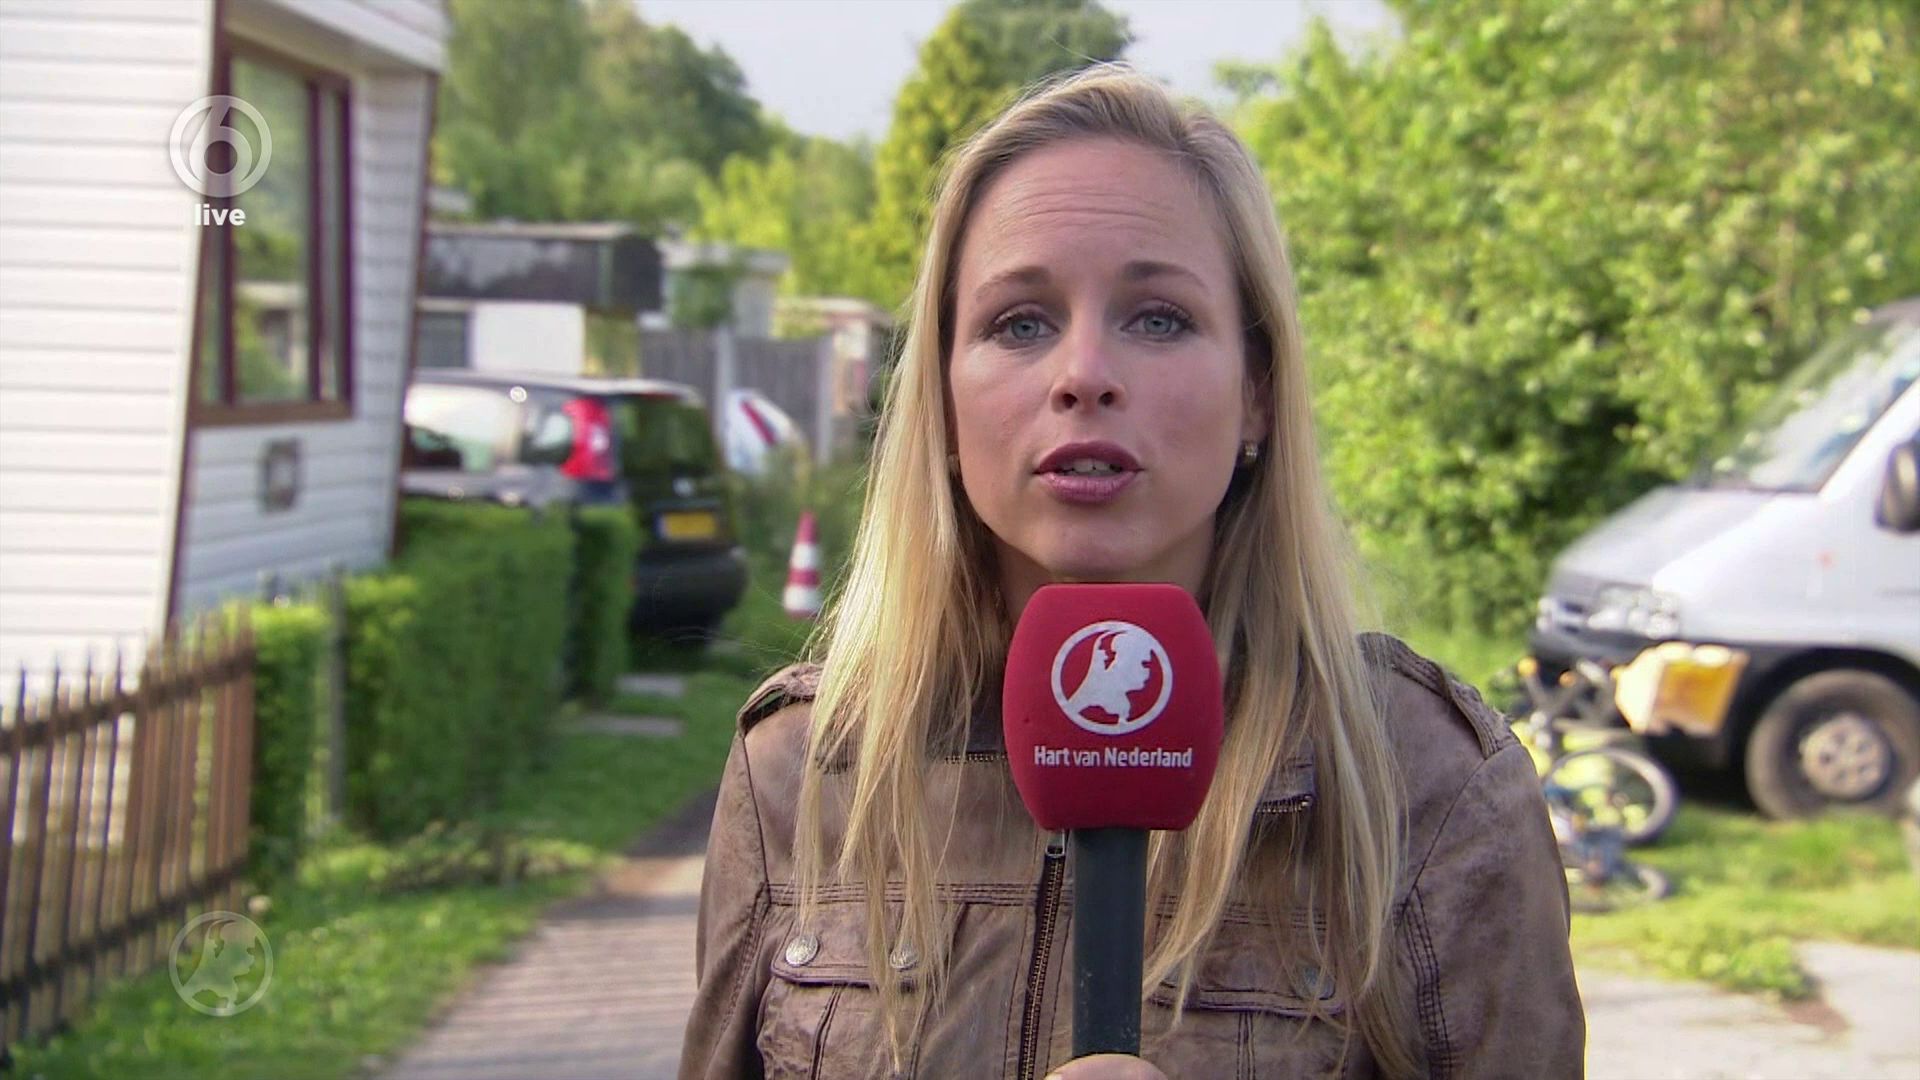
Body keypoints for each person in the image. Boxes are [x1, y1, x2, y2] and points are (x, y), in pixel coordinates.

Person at [679, 65, 1583, 1079]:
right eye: (1020, 322)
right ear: (942, 399)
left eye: (1157, 318)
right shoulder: (804, 768)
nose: (1083, 375)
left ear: (1258, 392)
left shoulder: (1427, 783)